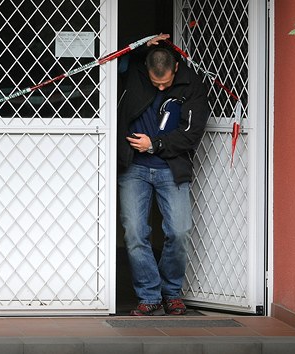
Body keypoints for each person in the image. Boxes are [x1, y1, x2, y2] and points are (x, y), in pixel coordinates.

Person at [117, 34, 210, 316]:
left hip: (172, 167)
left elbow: (192, 135)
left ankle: (171, 293)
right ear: (147, 70)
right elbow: (116, 60)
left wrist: (154, 144)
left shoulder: (191, 85)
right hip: (134, 168)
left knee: (179, 231)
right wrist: (140, 45)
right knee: (135, 233)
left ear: (176, 70)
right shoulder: (135, 73)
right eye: (155, 82)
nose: (160, 86)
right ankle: (149, 296)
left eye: (165, 83)